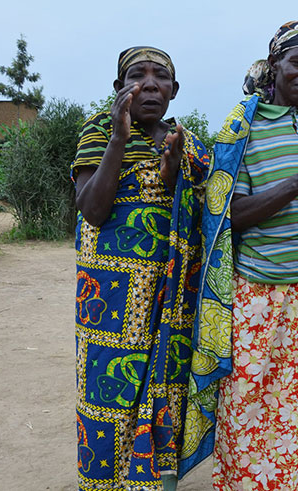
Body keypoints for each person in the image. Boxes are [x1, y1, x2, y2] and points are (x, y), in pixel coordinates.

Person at [188, 21, 298, 490]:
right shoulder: (241, 128)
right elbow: (227, 216)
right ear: (275, 65)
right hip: (260, 291)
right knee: (252, 400)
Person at [72, 47, 209, 490]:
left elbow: (204, 216)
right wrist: (118, 137)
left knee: (166, 386)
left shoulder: (187, 143)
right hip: (109, 297)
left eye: (160, 77)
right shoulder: (98, 131)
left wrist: (175, 175)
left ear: (174, 90)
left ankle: (155, 482)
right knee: (107, 392)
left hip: (171, 296)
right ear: (119, 89)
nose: (149, 84)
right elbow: (92, 209)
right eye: (137, 76)